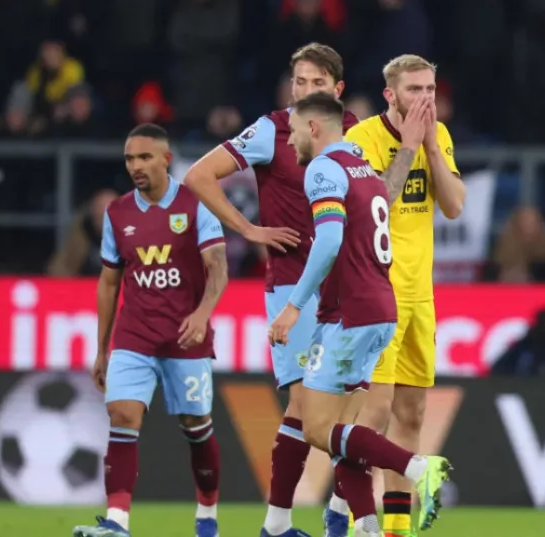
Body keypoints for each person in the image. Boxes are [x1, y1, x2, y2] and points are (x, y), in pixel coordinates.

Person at [182, 43, 358, 537]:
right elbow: (199, 176)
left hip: (345, 288)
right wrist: (249, 230)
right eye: (298, 82)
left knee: (356, 408)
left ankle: (339, 518)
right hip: (290, 289)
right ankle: (277, 525)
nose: (304, 92)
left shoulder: (352, 134)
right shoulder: (271, 129)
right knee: (304, 408)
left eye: (316, 84)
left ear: (337, 90)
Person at [267, 92, 452, 537]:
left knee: (316, 428)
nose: (289, 142)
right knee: (342, 432)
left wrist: (293, 308)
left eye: (292, 131)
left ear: (314, 127)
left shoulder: (324, 168)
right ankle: (367, 526)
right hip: (376, 309)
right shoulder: (361, 164)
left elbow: (329, 241)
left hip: (349, 315)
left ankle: (416, 466)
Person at [329, 55, 466, 537]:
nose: (425, 99)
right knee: (374, 416)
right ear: (390, 94)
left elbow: (452, 206)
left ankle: (395, 529)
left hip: (420, 296)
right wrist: (407, 147)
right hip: (374, 296)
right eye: (414, 90)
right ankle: (354, 521)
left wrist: (428, 144)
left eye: (430, 89)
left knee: (412, 414)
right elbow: (371, 211)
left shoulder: (439, 135)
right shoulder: (361, 140)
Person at [74, 124, 228, 537]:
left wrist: (202, 313)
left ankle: (208, 515)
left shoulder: (198, 203)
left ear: (165, 158)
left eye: (144, 157)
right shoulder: (117, 212)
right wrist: (102, 349)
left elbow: (218, 267)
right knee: (122, 414)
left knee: (196, 427)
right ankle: (117, 523)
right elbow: (109, 282)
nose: (135, 166)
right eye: (129, 159)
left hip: (185, 338)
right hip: (134, 335)